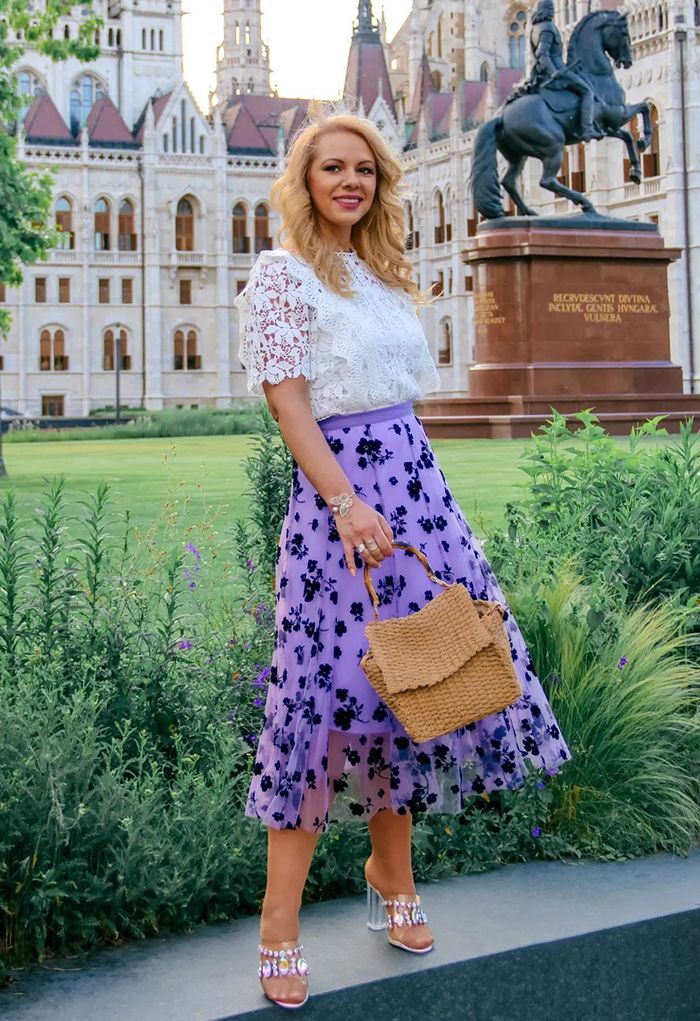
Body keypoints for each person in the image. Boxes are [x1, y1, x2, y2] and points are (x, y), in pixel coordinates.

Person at [233, 108, 571, 1010]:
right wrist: (345, 502)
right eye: (332, 168)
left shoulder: (383, 276)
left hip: (417, 488)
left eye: (365, 170)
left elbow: (401, 398)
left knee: (414, 688)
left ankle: (392, 872)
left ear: (380, 183)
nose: (350, 182)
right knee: (321, 702)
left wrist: (406, 502)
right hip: (340, 503)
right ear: (304, 182)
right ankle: (278, 924)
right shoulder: (280, 275)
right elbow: (289, 400)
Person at [527, 0, 602, 141]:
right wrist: (553, 71)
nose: (553, 11)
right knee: (587, 91)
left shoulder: (535, 28)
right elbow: (542, 54)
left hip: (543, 74)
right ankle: (587, 129)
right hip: (557, 73)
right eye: (551, 8)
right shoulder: (547, 28)